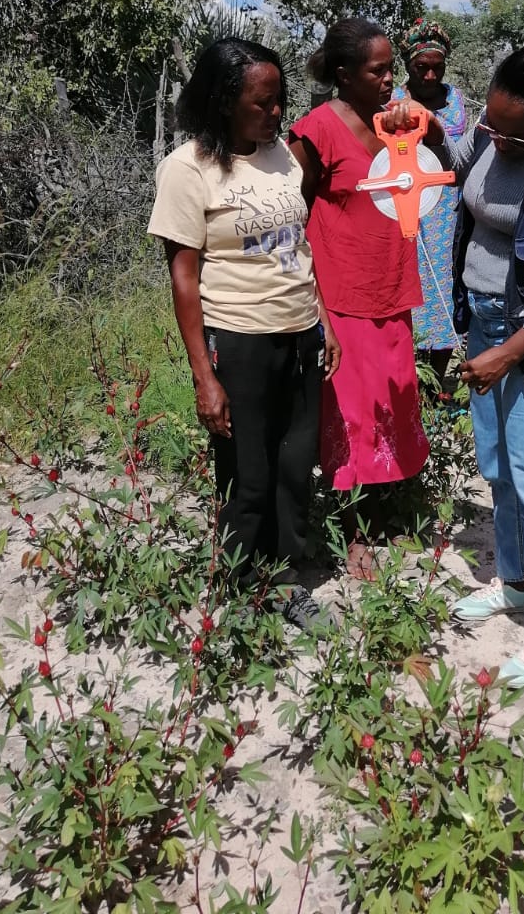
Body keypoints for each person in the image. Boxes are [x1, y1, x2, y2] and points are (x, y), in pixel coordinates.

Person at [386, 47, 524, 686]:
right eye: (491, 125)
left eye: (515, 133)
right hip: (484, 323)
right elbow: (464, 172)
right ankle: (514, 584)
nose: (500, 140)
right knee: (501, 468)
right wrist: (431, 128)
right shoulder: (490, 138)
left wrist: (512, 350)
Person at [148, 38, 341, 631]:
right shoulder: (186, 170)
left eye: (279, 100)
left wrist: (324, 320)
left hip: (300, 332)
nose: (277, 113)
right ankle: (238, 584)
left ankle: (285, 579)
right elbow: (183, 276)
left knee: (295, 464)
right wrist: (205, 376)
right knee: (247, 472)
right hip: (239, 337)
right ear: (225, 101)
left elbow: (298, 246)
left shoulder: (281, 154)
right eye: (264, 103)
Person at [288, 18, 430, 579]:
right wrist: (310, 297)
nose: (390, 78)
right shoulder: (317, 131)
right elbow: (286, 211)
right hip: (342, 294)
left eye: (391, 67)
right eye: (379, 70)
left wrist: (419, 121)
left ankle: (387, 511)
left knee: (390, 404)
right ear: (345, 75)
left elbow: (439, 148)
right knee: (352, 418)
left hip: (391, 287)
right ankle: (355, 533)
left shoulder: (398, 121)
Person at [393, 18, 467, 391]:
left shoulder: (456, 104)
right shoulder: (392, 103)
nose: (431, 74)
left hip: (446, 213)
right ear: (408, 64)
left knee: (444, 287)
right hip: (404, 208)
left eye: (437, 66)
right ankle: (409, 381)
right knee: (408, 288)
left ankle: (438, 384)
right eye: (422, 67)